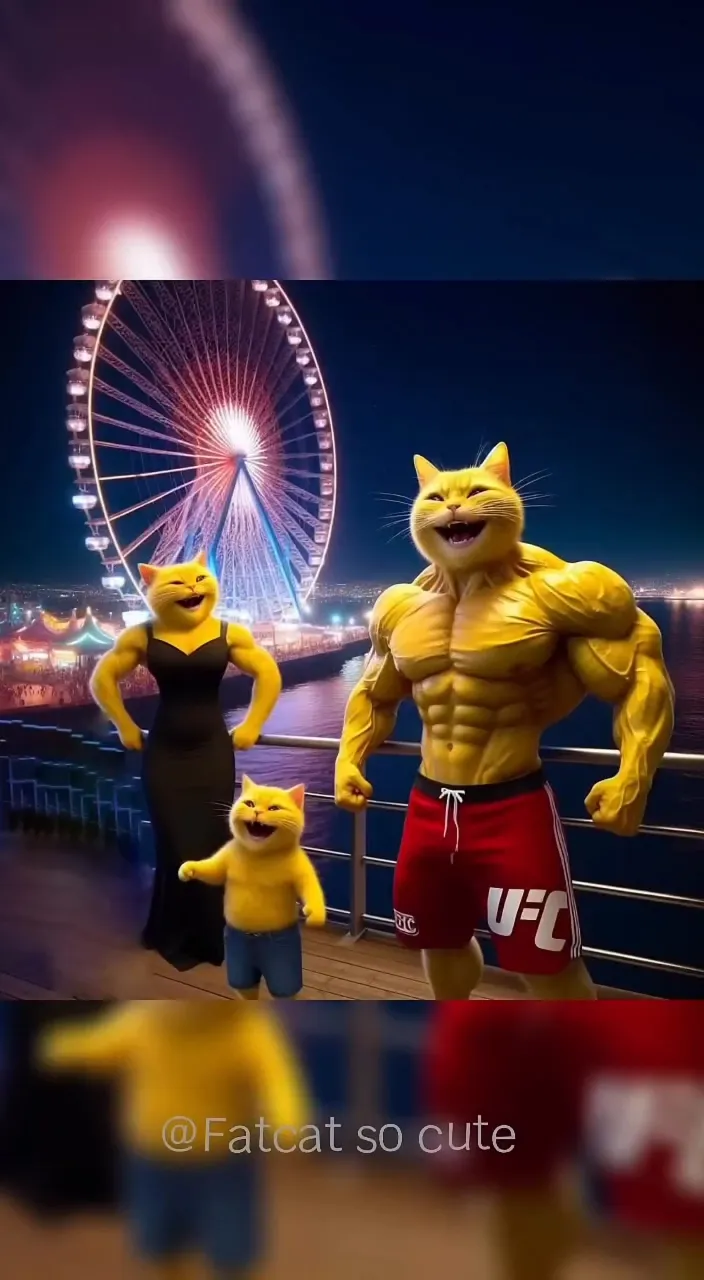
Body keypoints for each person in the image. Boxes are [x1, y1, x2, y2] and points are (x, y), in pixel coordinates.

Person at [334, 444, 674, 999]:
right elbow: (373, 694)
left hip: (512, 808)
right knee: (438, 943)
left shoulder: (557, 591)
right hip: (427, 807)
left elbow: (641, 667)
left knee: (545, 964)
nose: (452, 506)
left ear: (509, 495)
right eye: (436, 495)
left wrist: (632, 777)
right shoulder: (399, 606)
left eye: (474, 491)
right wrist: (349, 758)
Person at [90, 553, 282, 971]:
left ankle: (209, 936)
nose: (194, 590)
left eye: (200, 580)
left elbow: (268, 673)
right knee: (174, 843)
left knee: (212, 842)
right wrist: (123, 723)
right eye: (180, 584)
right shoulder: (142, 635)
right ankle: (171, 932)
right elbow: (102, 678)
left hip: (213, 753)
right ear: (152, 588)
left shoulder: (230, 633)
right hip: (164, 755)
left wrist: (253, 724)